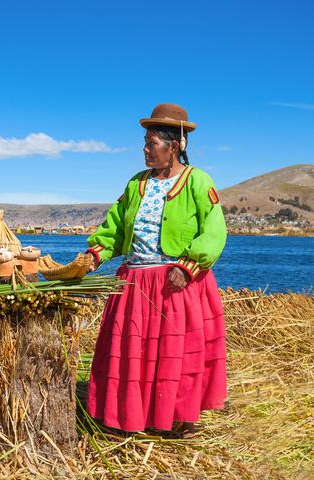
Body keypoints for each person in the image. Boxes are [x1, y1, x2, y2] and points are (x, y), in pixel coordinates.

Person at [84, 103, 227, 438]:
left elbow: (214, 231)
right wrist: (93, 256)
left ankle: (179, 418)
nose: (145, 150)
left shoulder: (197, 181)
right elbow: (115, 228)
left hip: (175, 281)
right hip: (135, 282)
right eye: (145, 143)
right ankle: (131, 415)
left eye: (151, 144)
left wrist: (189, 266)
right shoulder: (137, 184)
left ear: (173, 146)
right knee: (133, 353)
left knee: (175, 354)